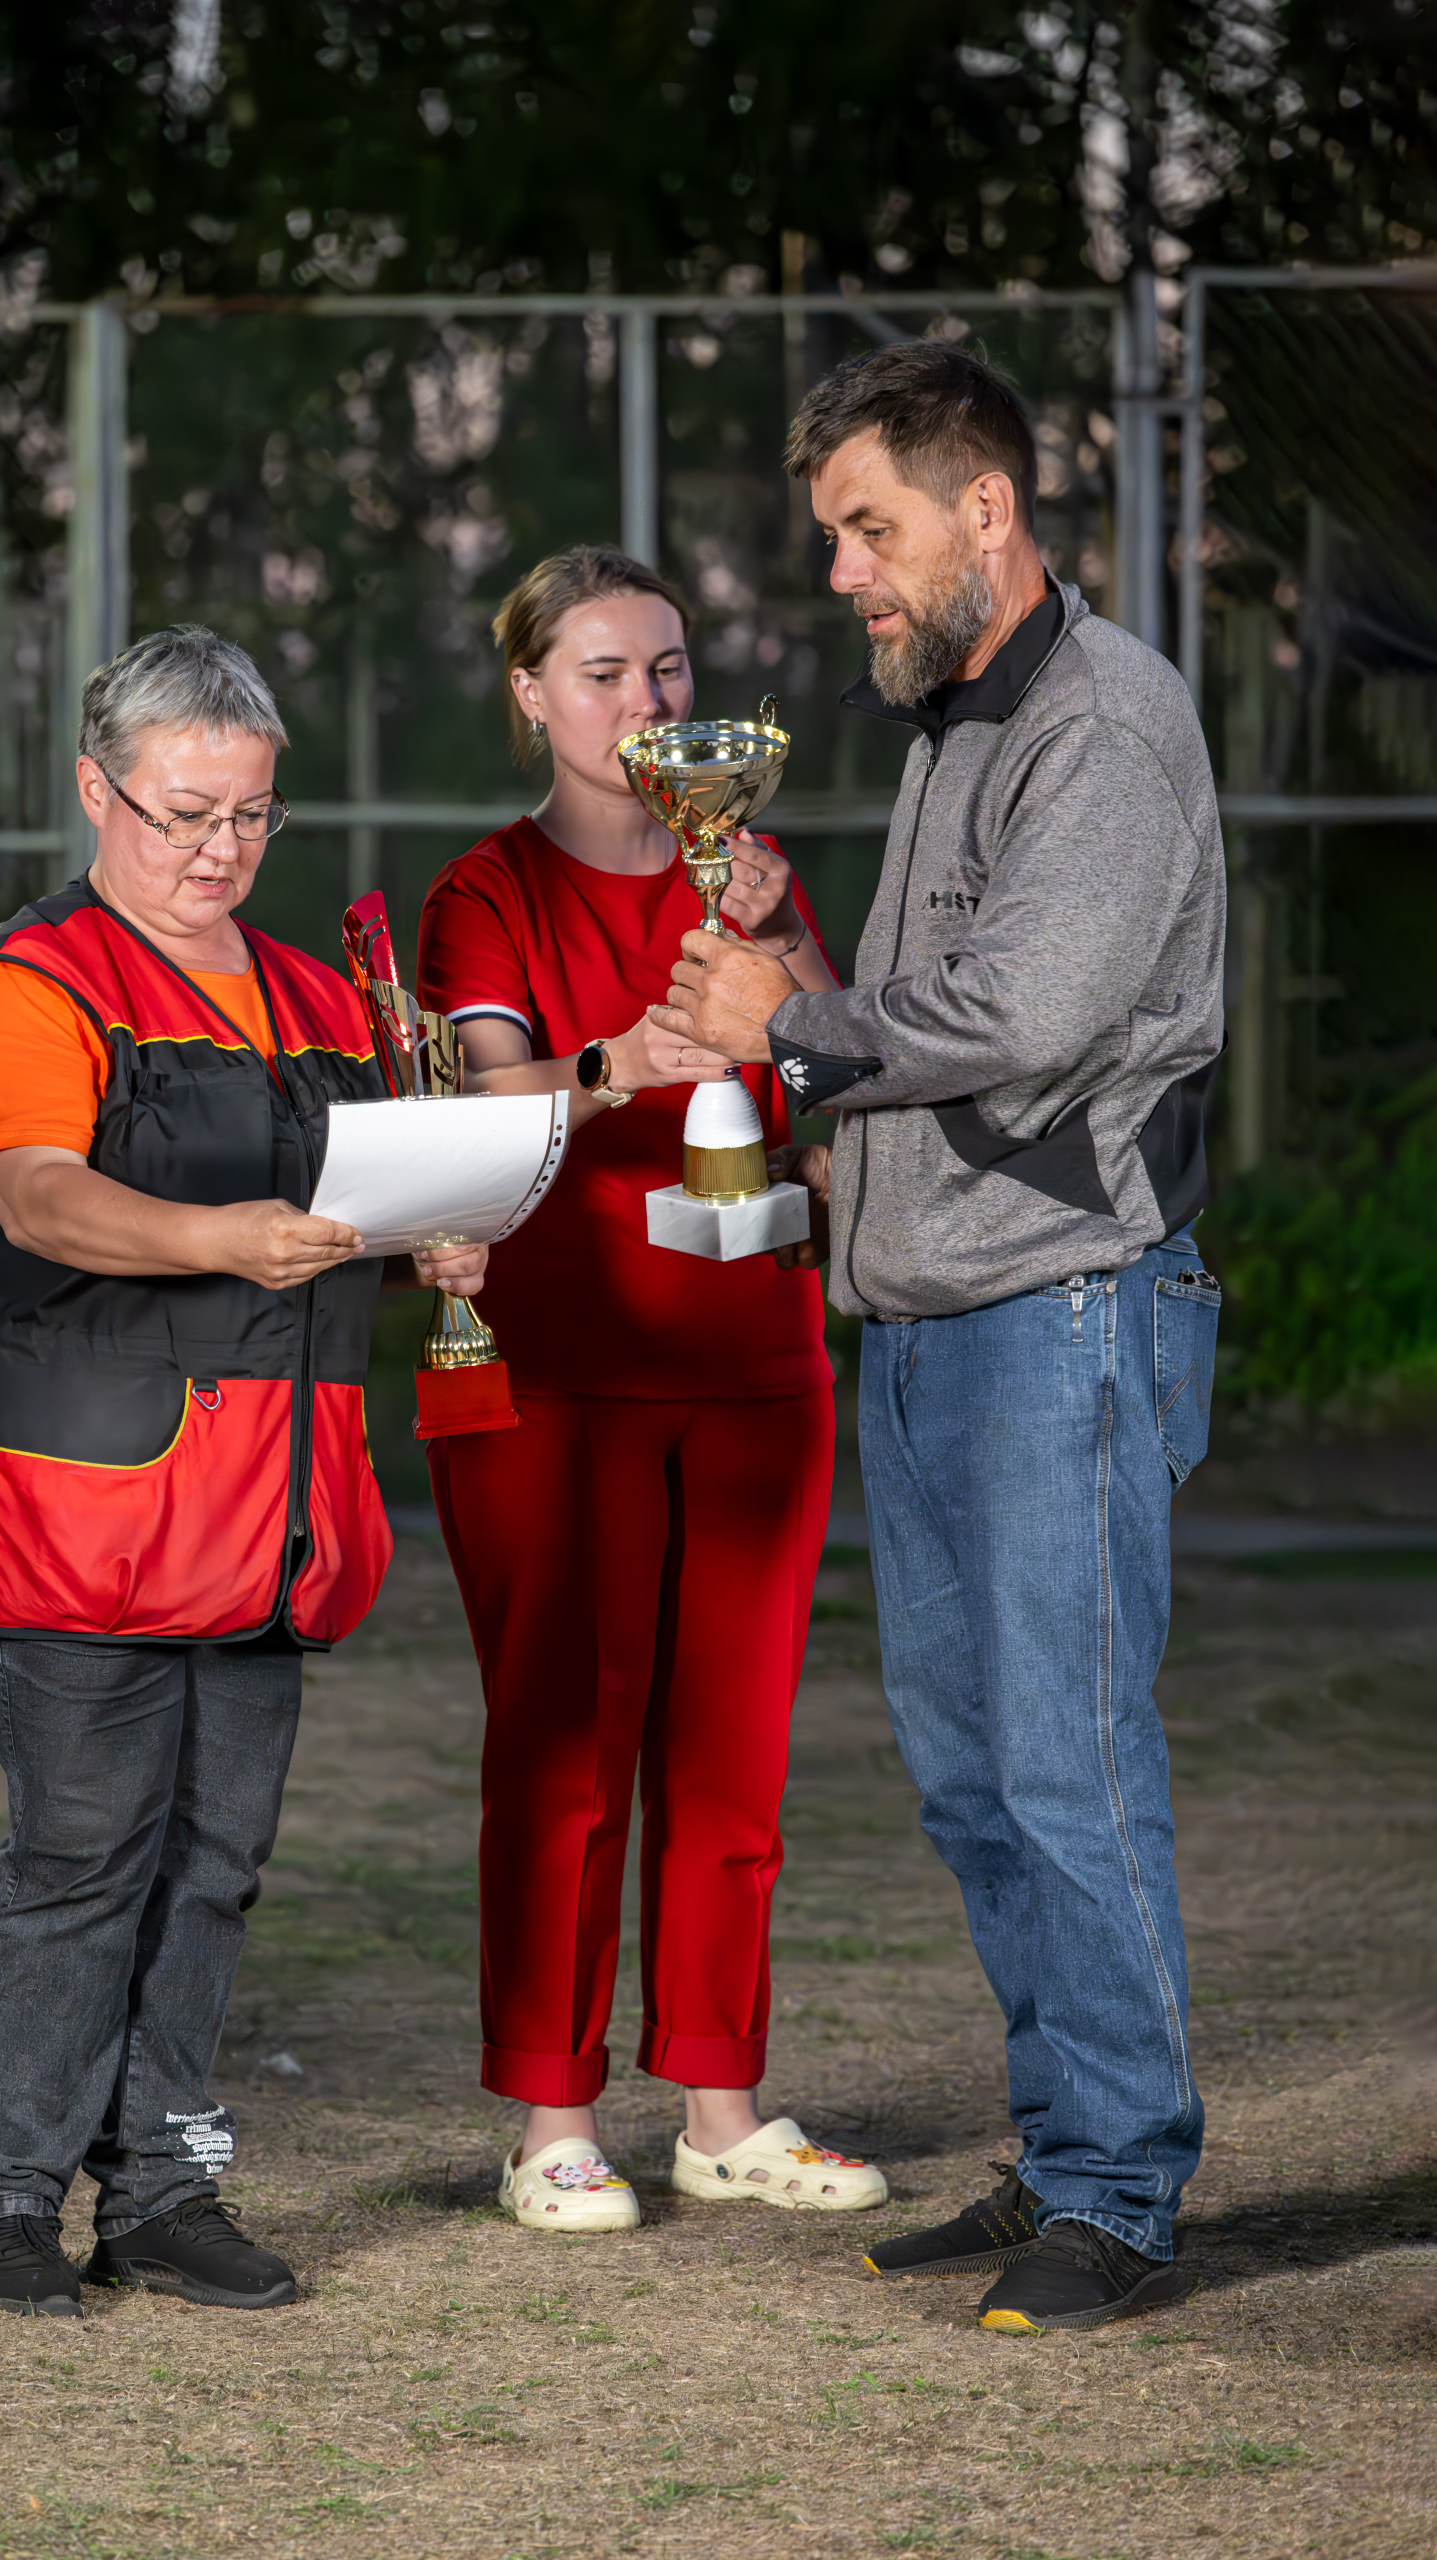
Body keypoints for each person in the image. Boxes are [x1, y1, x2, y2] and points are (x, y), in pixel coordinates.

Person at [655, 346, 1225, 2333]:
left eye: (865, 527)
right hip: (926, 1315)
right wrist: (789, 957)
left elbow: (1026, 1019)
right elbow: (908, 1016)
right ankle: (1062, 2142)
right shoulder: (950, 719)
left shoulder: (1103, 722)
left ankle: (1121, 2190)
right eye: (831, 535)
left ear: (984, 510)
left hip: (1057, 1308)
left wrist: (780, 1024)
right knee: (974, 1772)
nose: (841, 573)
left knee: (1063, 1761)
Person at [0, 625, 488, 2317]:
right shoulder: (29, 983)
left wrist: (424, 1251)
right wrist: (222, 1238)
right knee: (82, 1859)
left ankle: (161, 2188)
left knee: (215, 1864)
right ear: (99, 792)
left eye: (250, 814)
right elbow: (36, 1196)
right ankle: (8, 2204)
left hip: (270, 1515)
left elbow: (346, 1217)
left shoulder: (317, 1003)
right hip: (75, 1514)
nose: (220, 848)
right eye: (183, 813)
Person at [415, 544, 888, 2231]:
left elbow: (849, 1072)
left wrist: (782, 957)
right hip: (563, 1375)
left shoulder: (749, 874)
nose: (645, 702)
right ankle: (551, 2118)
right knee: (565, 1750)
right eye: (604, 673)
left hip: (757, 1359)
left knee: (735, 1750)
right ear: (531, 692)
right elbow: (484, 1112)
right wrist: (619, 1059)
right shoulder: (486, 891)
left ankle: (721, 2106)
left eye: (671, 670)